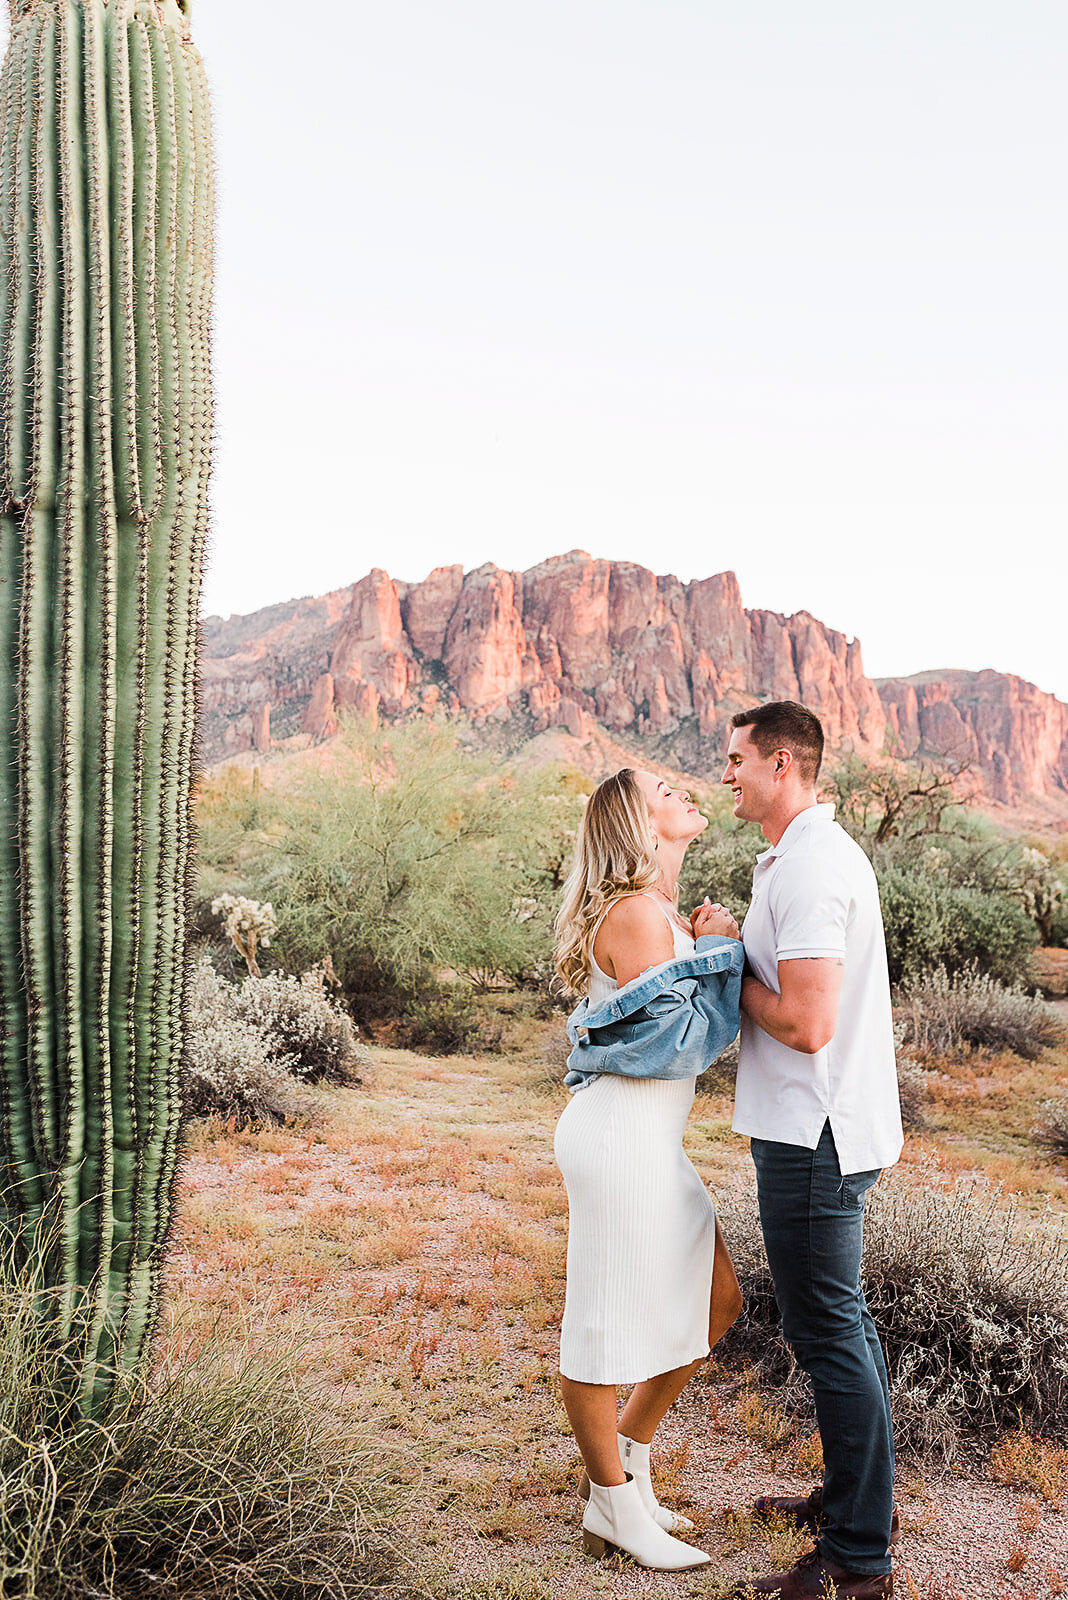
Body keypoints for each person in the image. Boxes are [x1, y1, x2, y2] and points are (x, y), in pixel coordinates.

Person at [719, 702, 903, 1600]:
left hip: (813, 1136)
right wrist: (735, 942)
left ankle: (857, 1559)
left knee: (828, 1333)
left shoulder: (814, 867)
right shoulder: (800, 859)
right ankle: (851, 1499)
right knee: (844, 1328)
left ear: (783, 764)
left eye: (737, 759)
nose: (728, 775)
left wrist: (728, 967)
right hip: (819, 1126)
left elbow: (805, 1019)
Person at [553, 767, 745, 1571]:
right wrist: (725, 953)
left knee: (717, 1300)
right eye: (668, 788)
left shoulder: (662, 913)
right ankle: (612, 1507)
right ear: (639, 821)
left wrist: (706, 950)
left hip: (649, 1141)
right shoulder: (635, 914)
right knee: (600, 1324)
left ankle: (627, 1457)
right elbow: (683, 1045)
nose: (689, 791)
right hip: (618, 1136)